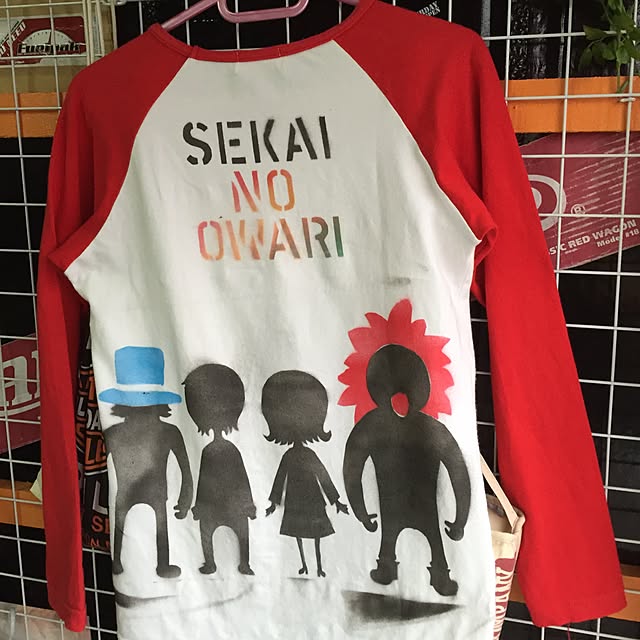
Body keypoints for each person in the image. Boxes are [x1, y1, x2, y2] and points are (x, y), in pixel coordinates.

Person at [343, 344, 470, 596]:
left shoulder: (371, 426)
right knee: (431, 539)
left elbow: (352, 470)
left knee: (392, 537)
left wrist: (362, 512)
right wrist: (459, 521)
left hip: (392, 504)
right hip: (424, 505)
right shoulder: (432, 428)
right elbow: (458, 472)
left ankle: (388, 568)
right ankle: (437, 574)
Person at [99, 346, 193, 579]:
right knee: (153, 522)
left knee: (141, 521)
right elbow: (185, 470)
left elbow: (185, 469)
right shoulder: (167, 431)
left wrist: (185, 497)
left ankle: (125, 562)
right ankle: (155, 564)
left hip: (137, 492)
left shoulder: (114, 433)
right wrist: (185, 498)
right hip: (146, 492)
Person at [263, 370, 349, 578]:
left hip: (307, 499)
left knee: (313, 534)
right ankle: (306, 566)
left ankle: (317, 566)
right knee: (300, 535)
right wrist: (274, 502)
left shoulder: (302, 455)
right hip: (298, 499)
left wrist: (336, 501)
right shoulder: (294, 455)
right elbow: (280, 479)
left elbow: (322, 476)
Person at [183, 364, 256, 575]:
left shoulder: (216, 450)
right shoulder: (218, 450)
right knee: (219, 531)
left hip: (223, 504)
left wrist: (247, 503)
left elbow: (239, 477)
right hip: (219, 504)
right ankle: (220, 563)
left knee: (230, 531)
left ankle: (237, 563)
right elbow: (206, 478)